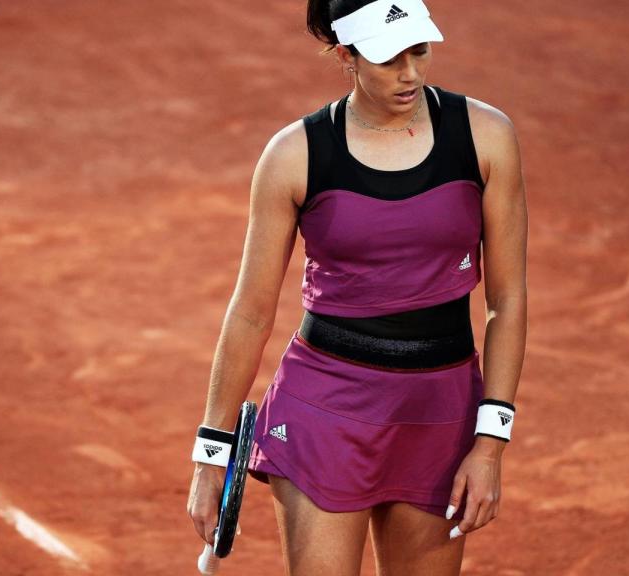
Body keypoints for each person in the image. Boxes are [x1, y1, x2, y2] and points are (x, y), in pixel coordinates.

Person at [187, 0, 528, 574]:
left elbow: (507, 300)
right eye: (388, 58)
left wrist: (490, 444)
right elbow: (250, 312)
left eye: (419, 51)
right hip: (325, 407)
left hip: (439, 412)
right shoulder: (294, 155)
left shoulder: (487, 137)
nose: (410, 73)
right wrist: (210, 454)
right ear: (346, 55)